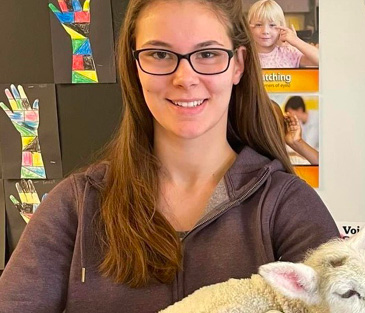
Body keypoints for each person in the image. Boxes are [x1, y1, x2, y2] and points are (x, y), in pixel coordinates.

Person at [0, 0, 338, 311]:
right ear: (134, 66)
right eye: (160, 55)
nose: (185, 78)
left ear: (238, 65)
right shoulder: (75, 205)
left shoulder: (288, 206)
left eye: (207, 54)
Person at [247, 0, 319, 68]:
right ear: (249, 27)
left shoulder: (289, 53)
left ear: (281, 28)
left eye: (272, 25)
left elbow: (321, 61)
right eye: (258, 25)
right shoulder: (244, 55)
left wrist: (296, 41)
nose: (265, 31)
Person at [271, 100, 319, 165]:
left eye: (290, 112)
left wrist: (296, 142)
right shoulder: (300, 123)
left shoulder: (316, 120)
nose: (288, 115)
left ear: (300, 110)